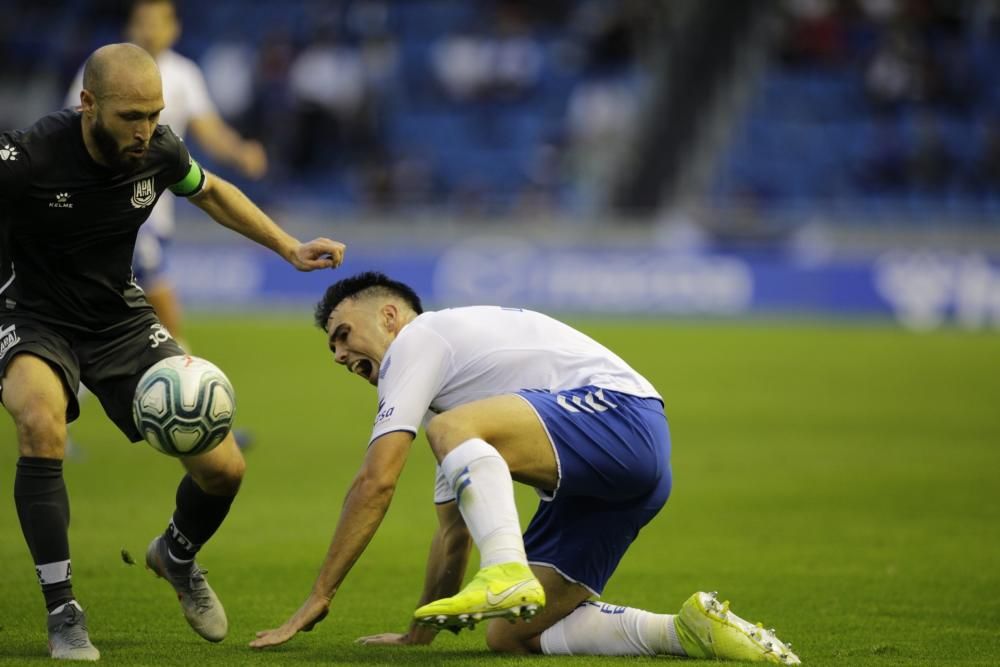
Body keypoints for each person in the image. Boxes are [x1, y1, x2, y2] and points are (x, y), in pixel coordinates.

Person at [250, 272, 799, 664]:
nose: (340, 355)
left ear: (389, 316)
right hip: (624, 477)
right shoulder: (465, 421)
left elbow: (377, 480)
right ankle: (687, 632)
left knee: (448, 434)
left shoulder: (420, 342)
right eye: (332, 350)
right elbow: (452, 534)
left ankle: (507, 567)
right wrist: (418, 635)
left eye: (343, 335)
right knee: (509, 637)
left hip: (621, 416)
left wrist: (318, 596)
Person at [0, 43, 345, 661]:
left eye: (155, 114)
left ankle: (176, 555)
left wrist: (288, 247)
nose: (146, 129)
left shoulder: (159, 149)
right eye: (132, 116)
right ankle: (63, 610)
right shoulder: (29, 157)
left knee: (225, 469)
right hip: (31, 314)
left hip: (118, 320)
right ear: (87, 105)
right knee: (40, 420)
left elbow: (211, 192)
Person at [65, 0, 267, 350]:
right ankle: (179, 358)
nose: (149, 30)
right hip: (107, 199)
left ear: (174, 29)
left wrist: (238, 151)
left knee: (127, 287)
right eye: (142, 21)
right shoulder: (103, 68)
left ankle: (154, 358)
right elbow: (72, 123)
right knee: (146, 278)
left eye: (158, 23)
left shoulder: (184, 75)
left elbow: (209, 129)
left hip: (156, 205)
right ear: (130, 26)